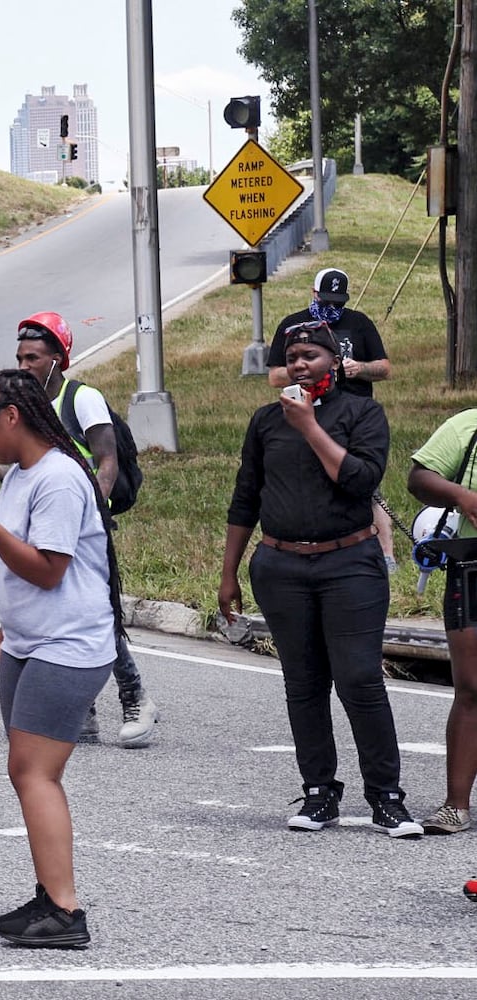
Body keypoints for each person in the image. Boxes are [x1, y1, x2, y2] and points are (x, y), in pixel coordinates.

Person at [220, 321, 421, 838]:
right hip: (281, 566)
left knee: (359, 679)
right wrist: (229, 574)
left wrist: (310, 426)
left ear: (334, 360)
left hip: (349, 564)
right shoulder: (266, 421)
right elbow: (246, 498)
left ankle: (387, 797)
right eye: (292, 356)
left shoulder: (362, 413)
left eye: (310, 354)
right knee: (304, 683)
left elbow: (359, 479)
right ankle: (319, 792)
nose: (299, 363)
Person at [0, 368, 118, 949]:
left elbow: (49, 569)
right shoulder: (19, 474)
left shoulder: (60, 479)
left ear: (12, 416)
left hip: (68, 645)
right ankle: (49, 895)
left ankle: (66, 911)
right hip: (26, 643)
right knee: (27, 772)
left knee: (33, 772)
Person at [0, 312, 159, 748]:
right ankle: (83, 712)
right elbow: (28, 480)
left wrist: (97, 504)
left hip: (86, 512)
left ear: (59, 358)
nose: (25, 364)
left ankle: (134, 696)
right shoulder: (25, 410)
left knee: (91, 608)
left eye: (34, 356)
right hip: (58, 514)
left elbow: (104, 460)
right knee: (71, 606)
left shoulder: (81, 397)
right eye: (19, 357)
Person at [267, 268, 396, 572]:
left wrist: (360, 369)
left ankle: (386, 553)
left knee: (367, 484)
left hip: (353, 413)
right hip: (305, 411)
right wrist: (313, 368)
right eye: (325, 300)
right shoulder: (291, 325)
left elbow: (385, 367)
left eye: (337, 302)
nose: (331, 307)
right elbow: (274, 375)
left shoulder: (359, 323)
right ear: (313, 294)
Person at [407, 408, 477, 835]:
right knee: (470, 687)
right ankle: (456, 805)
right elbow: (419, 479)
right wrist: (462, 497)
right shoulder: (468, 425)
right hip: (472, 566)